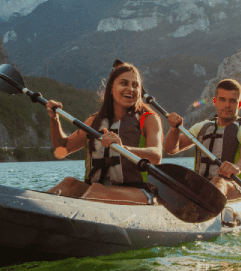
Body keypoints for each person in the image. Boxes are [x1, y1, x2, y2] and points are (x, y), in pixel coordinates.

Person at [44, 62, 163, 205]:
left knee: (96, 191)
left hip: (140, 192)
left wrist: (123, 149)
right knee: (69, 184)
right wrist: (54, 118)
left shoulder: (148, 118)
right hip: (98, 190)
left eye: (135, 85)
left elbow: (156, 156)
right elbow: (62, 148)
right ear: (111, 89)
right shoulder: (95, 121)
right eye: (124, 83)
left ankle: (72, 219)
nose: (130, 89)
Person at [163, 79, 241, 200]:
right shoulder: (202, 127)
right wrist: (174, 130)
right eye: (222, 99)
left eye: (232, 101)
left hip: (237, 187)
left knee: (219, 181)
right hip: (204, 186)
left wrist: (237, 167)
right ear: (215, 101)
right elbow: (171, 149)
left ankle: (206, 208)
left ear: (239, 104)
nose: (227, 105)